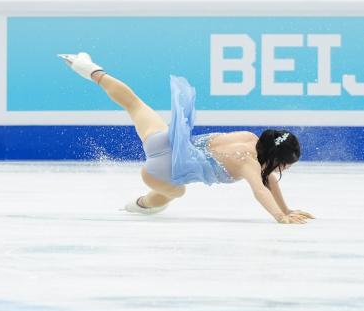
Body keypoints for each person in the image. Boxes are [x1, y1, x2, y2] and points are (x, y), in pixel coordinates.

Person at [58, 52, 314, 224]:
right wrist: (280, 217)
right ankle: (139, 204)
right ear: (274, 157)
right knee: (176, 192)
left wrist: (287, 210)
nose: (285, 169)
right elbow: (260, 189)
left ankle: (90, 69)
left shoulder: (248, 138)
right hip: (161, 172)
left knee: (134, 104)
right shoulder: (248, 162)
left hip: (165, 141)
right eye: (286, 164)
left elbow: (268, 179)